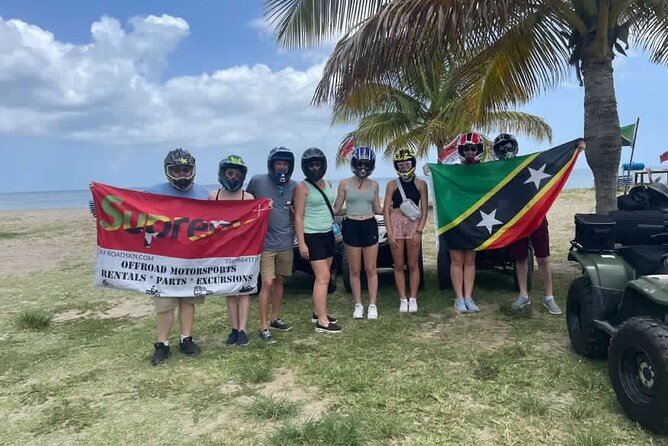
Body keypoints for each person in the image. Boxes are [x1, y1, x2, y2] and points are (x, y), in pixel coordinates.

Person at [149, 148, 210, 365]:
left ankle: (186, 338)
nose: (182, 175)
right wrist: (102, 202)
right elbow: (130, 211)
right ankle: (162, 344)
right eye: (176, 171)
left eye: (186, 170)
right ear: (168, 171)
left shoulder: (204, 194)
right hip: (164, 259)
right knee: (164, 303)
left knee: (188, 300)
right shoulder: (154, 192)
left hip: (193, 258)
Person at [492, 133, 562, 315]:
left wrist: (574, 148)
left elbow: (553, 162)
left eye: (508, 147)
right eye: (502, 148)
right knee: (520, 258)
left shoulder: (528, 165)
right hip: (515, 221)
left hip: (537, 217)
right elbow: (473, 176)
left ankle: (549, 297)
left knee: (543, 258)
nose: (506, 151)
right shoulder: (495, 171)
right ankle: (523, 295)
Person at [246, 147, 297, 343]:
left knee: (279, 280)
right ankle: (263, 325)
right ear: (272, 164)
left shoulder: (293, 185)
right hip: (265, 242)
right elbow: (246, 203)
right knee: (267, 282)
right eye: (279, 164)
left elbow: (296, 210)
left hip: (285, 241)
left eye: (285, 164)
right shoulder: (258, 181)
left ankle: (276, 318)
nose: (282, 167)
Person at [209, 155, 256, 345]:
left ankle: (243, 329)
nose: (234, 177)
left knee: (243, 291)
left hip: (244, 251)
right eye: (230, 173)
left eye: (238, 174)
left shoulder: (248, 197)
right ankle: (234, 328)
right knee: (230, 290)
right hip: (224, 250)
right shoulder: (214, 196)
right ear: (223, 174)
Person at [293, 148, 341, 333]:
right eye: (311, 164)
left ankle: (317, 312)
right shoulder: (302, 187)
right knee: (323, 278)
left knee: (324, 276)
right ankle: (322, 322)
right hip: (312, 236)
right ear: (305, 167)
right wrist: (302, 242)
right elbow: (298, 216)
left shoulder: (327, 183)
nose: (315, 167)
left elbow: (331, 208)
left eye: (317, 164)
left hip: (328, 233)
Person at [332, 146, 383, 320]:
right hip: (351, 225)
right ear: (354, 163)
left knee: (371, 268)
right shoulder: (345, 184)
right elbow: (337, 209)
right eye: (360, 163)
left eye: (366, 164)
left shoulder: (374, 185)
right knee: (355, 269)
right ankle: (358, 304)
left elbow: (377, 209)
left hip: (369, 225)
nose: (363, 167)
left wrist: (396, 209)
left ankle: (373, 305)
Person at [383, 147, 428, 314]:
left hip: (413, 226)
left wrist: (420, 231)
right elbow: (386, 210)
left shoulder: (421, 184)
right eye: (400, 164)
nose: (403, 167)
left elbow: (423, 210)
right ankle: (403, 298)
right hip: (396, 225)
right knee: (399, 265)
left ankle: (413, 297)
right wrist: (390, 233)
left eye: (406, 163)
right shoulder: (391, 185)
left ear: (412, 163)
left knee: (413, 264)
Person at [449, 132, 484, 314]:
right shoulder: (452, 171)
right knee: (456, 260)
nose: (469, 152)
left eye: (473, 148)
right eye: (466, 149)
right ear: (460, 150)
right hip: (454, 220)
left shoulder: (485, 171)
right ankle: (458, 299)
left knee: (470, 259)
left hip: (475, 220)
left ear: (478, 150)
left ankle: (468, 296)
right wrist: (430, 171)